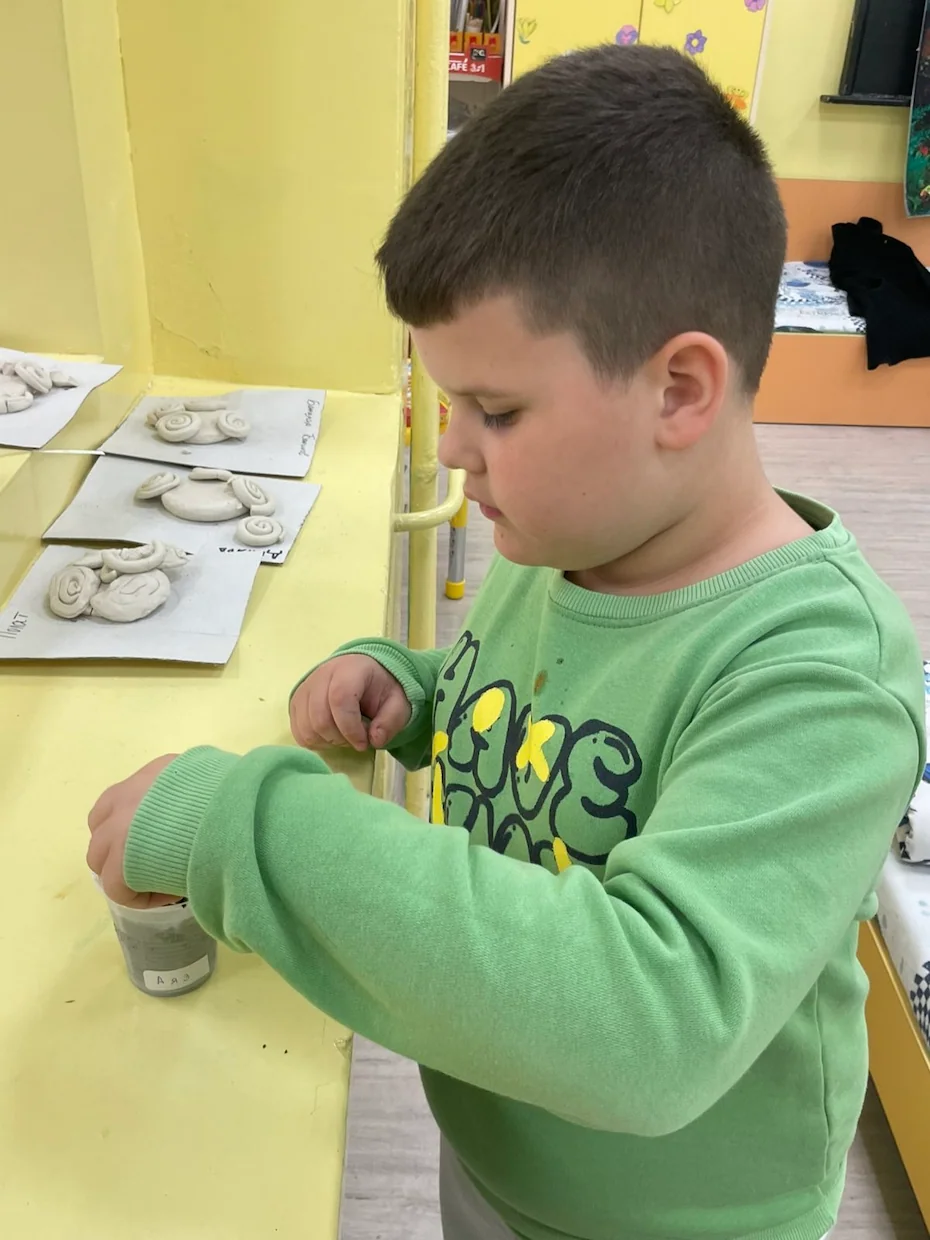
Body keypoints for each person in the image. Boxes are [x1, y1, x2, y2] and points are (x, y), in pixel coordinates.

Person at [88, 44, 926, 1240]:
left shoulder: (821, 674)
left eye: (496, 410)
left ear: (680, 390)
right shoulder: (569, 535)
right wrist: (417, 692)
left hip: (679, 1220)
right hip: (501, 1143)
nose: (452, 451)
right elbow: (542, 704)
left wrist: (244, 827)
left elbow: (652, 1022)